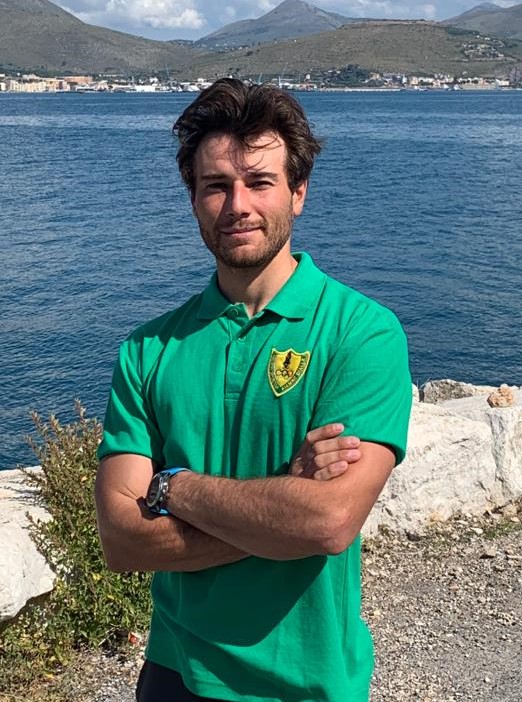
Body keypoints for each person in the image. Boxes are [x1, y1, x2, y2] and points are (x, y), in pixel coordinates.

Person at [95, 78, 412, 702]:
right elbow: (122, 540)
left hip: (309, 681)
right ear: (193, 199)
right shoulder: (147, 350)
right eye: (216, 185)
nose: (237, 204)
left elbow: (327, 521)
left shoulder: (361, 333)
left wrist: (171, 487)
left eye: (259, 182)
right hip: (175, 672)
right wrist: (279, 505)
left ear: (299, 191)